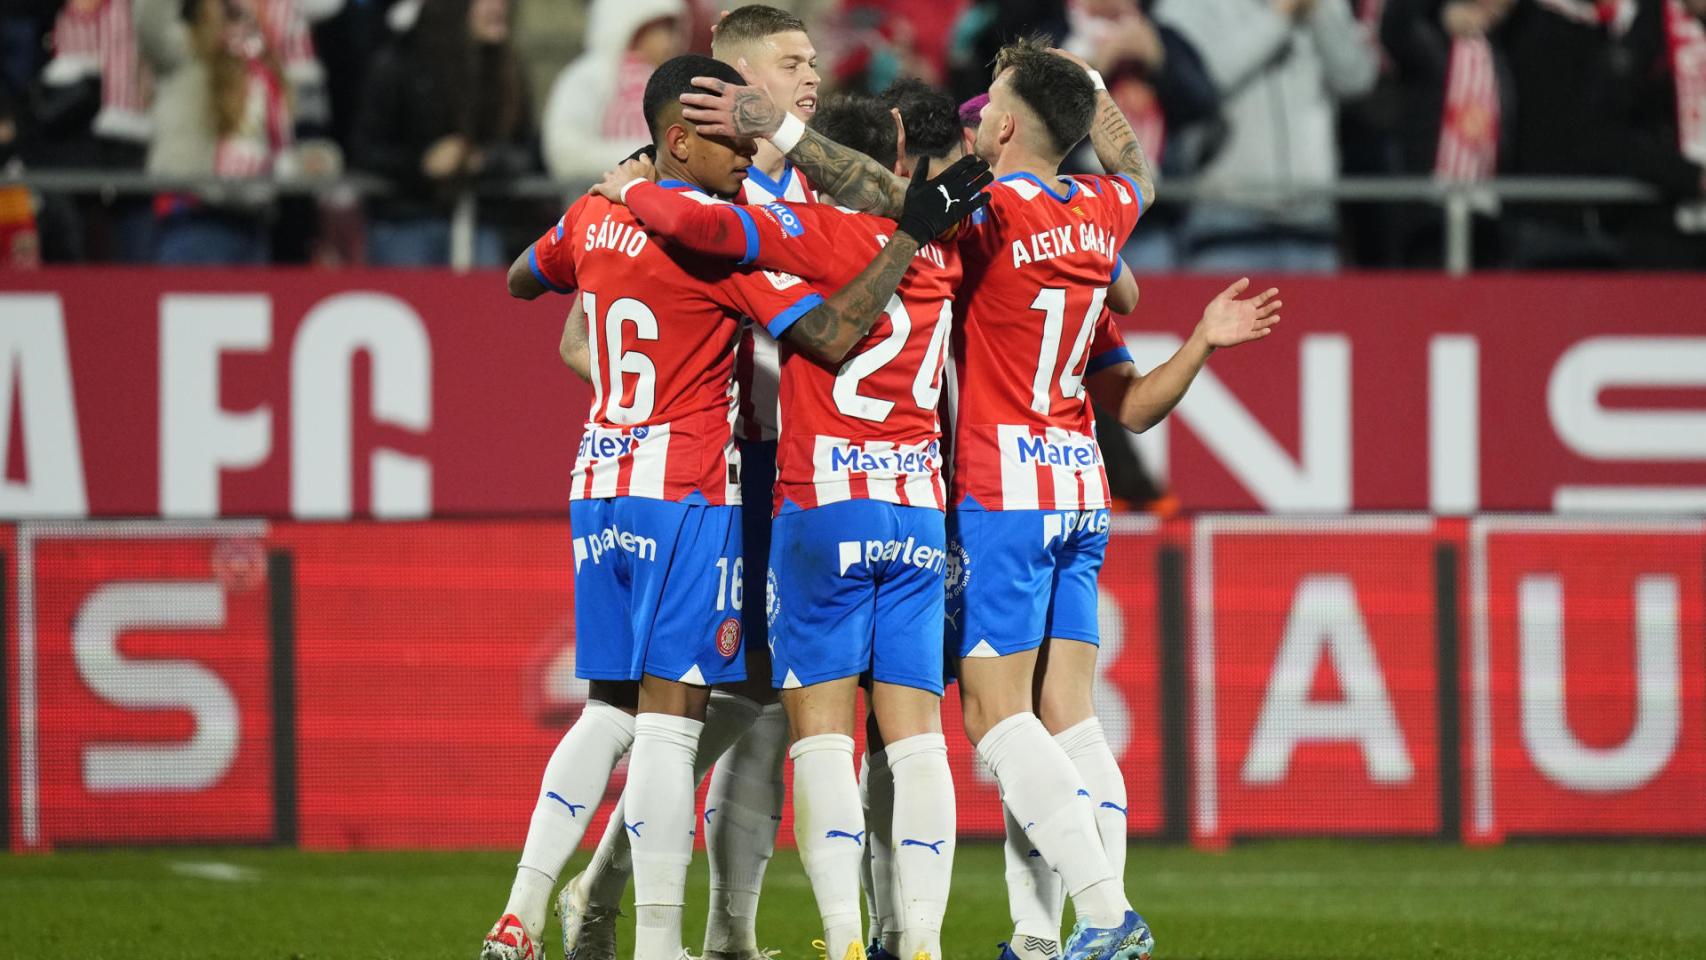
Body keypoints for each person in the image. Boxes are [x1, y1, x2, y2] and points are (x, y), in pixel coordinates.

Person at [679, 37, 1282, 960]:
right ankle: (1048, 935)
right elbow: (1137, 175)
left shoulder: (984, 215)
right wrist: (1083, 84)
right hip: (1075, 484)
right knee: (1063, 717)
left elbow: (893, 204)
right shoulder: (1108, 207)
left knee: (991, 720)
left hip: (990, 490)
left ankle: (1102, 915)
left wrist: (780, 130)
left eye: (988, 106)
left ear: (1000, 125)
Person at [481, 52, 987, 960]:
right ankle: (681, 940)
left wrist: (615, 201)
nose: (749, 156)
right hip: (722, 490)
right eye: (787, 62)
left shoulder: (609, 210)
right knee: (699, 726)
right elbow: (829, 333)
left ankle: (542, 910)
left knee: (631, 712)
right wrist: (908, 234)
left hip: (604, 477)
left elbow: (531, 286)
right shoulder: (754, 236)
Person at [551, 11, 828, 960]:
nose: (811, 78)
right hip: (719, 480)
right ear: (730, 76)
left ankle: (720, 931)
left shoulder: (809, 176)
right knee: (723, 699)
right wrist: (673, 408)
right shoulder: (676, 179)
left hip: (798, 478)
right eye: (791, 63)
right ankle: (621, 890)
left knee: (764, 702)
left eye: (813, 61)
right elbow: (576, 336)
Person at [1154, 0, 1378, 272]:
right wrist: (1280, 16)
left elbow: (1356, 79)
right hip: (1226, 221)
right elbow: (1194, 82)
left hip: (1313, 221)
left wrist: (1322, 10)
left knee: (1319, 316)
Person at [353, 0, 536, 267]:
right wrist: (421, 164)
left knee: (482, 305)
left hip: (481, 220)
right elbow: (364, 149)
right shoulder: (399, 62)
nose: (499, 6)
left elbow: (526, 151)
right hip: (406, 220)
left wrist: (481, 160)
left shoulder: (507, 69)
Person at [540, 0, 686, 180]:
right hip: (594, 200)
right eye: (659, 29)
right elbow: (565, 153)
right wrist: (649, 157)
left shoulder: (676, 84)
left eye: (672, 29)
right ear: (632, 27)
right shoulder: (588, 77)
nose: (671, 40)